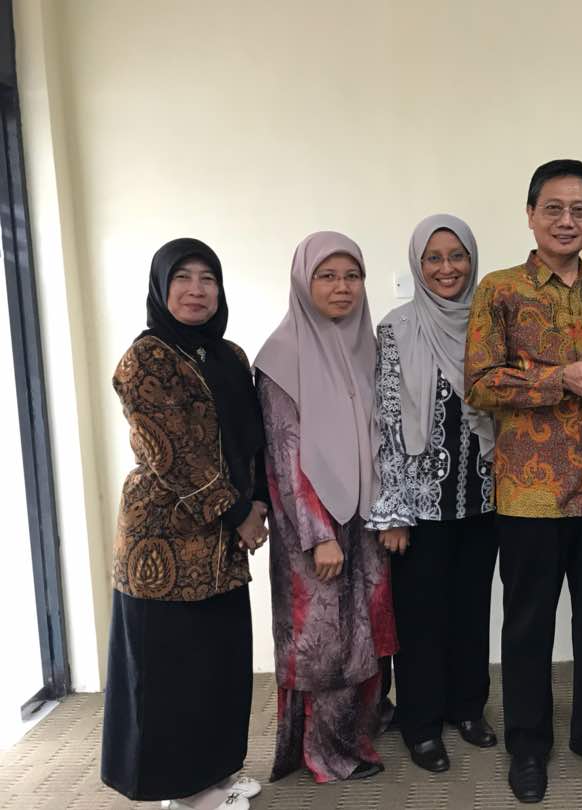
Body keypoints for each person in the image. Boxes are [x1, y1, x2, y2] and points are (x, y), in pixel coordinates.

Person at [466, 159, 582, 804]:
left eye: (579, 210)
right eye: (553, 208)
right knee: (528, 623)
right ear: (531, 214)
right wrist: (558, 378)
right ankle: (528, 744)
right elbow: (480, 384)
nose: (566, 221)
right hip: (530, 492)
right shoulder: (499, 290)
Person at [101, 238, 267, 810]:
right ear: (161, 286)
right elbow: (171, 453)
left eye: (208, 278)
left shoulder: (229, 356)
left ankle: (214, 775)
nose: (197, 290)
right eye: (183, 278)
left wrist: (258, 500)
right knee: (173, 670)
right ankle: (182, 791)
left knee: (219, 664)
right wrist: (239, 512)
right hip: (164, 540)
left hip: (221, 542)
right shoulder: (145, 358)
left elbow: (251, 438)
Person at [254, 231, 398, 784]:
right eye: (328, 276)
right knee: (325, 644)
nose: (343, 288)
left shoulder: (366, 346)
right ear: (303, 281)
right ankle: (324, 754)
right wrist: (319, 535)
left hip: (366, 518)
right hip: (313, 525)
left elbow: (385, 435)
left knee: (366, 634)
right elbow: (284, 455)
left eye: (352, 276)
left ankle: (358, 732)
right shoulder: (282, 356)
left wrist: (389, 512)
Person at [368, 214, 499, 774]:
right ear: (418, 265)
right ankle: (421, 724)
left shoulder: (491, 322)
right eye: (434, 258)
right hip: (420, 505)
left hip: (485, 497)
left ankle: (467, 708)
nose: (448, 269)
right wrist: (393, 512)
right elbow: (387, 421)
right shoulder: (395, 329)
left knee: (472, 609)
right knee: (420, 617)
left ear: (472, 259)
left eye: (458, 256)